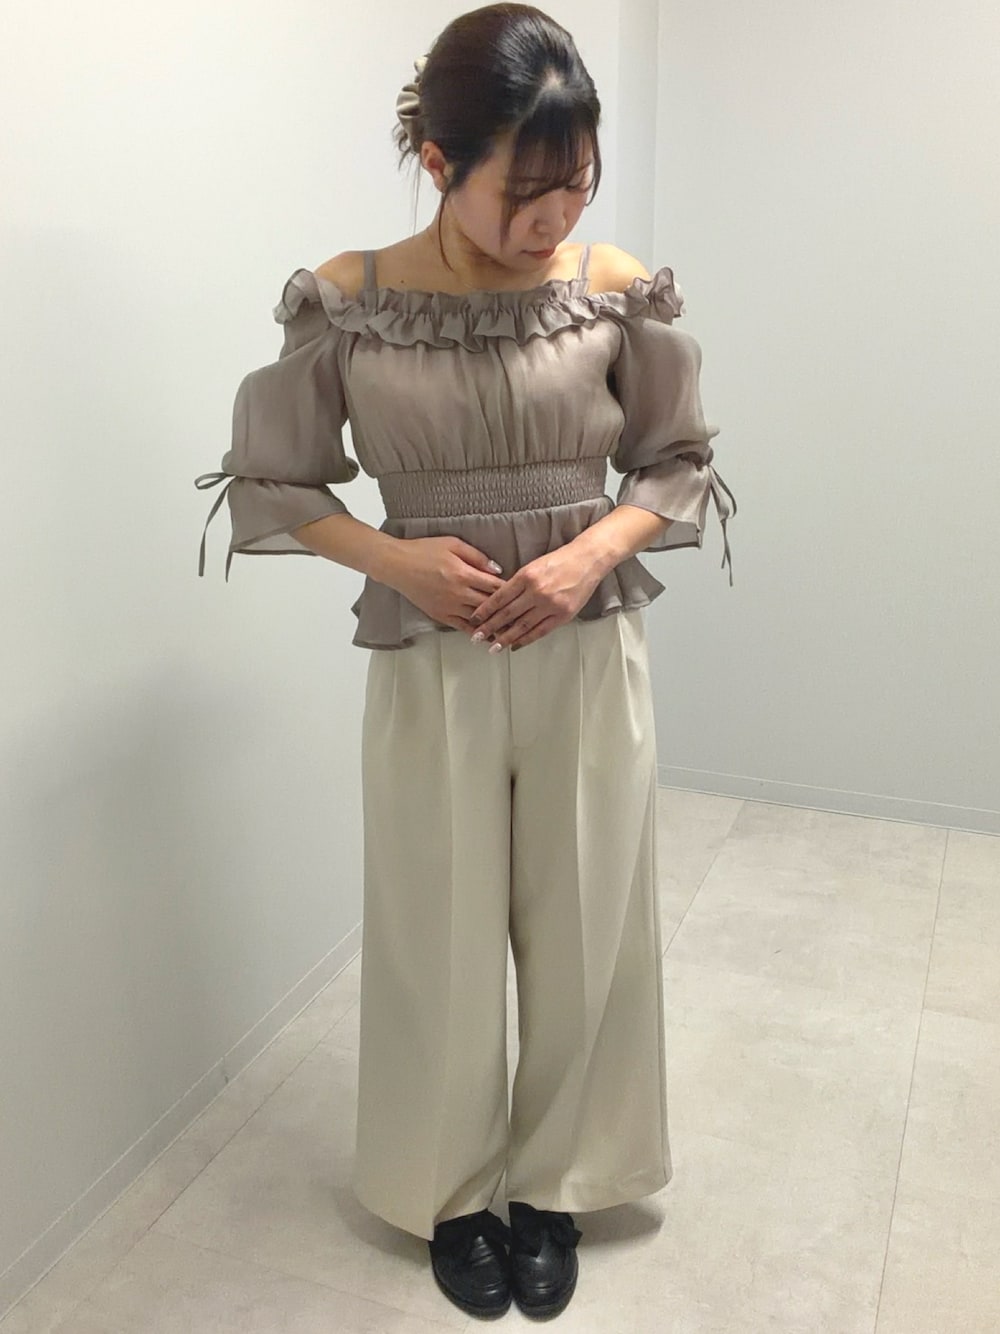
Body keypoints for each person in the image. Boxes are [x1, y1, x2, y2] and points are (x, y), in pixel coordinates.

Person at [194, 2, 736, 1321]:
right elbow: (273, 483)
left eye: (577, 181)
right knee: (433, 927)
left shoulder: (611, 288)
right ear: (439, 163)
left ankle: (555, 1181)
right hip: (428, 656)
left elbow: (676, 462)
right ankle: (449, 1190)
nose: (555, 216)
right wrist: (400, 561)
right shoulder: (355, 302)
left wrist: (585, 557)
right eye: (524, 192)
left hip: (585, 647)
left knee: (588, 917)